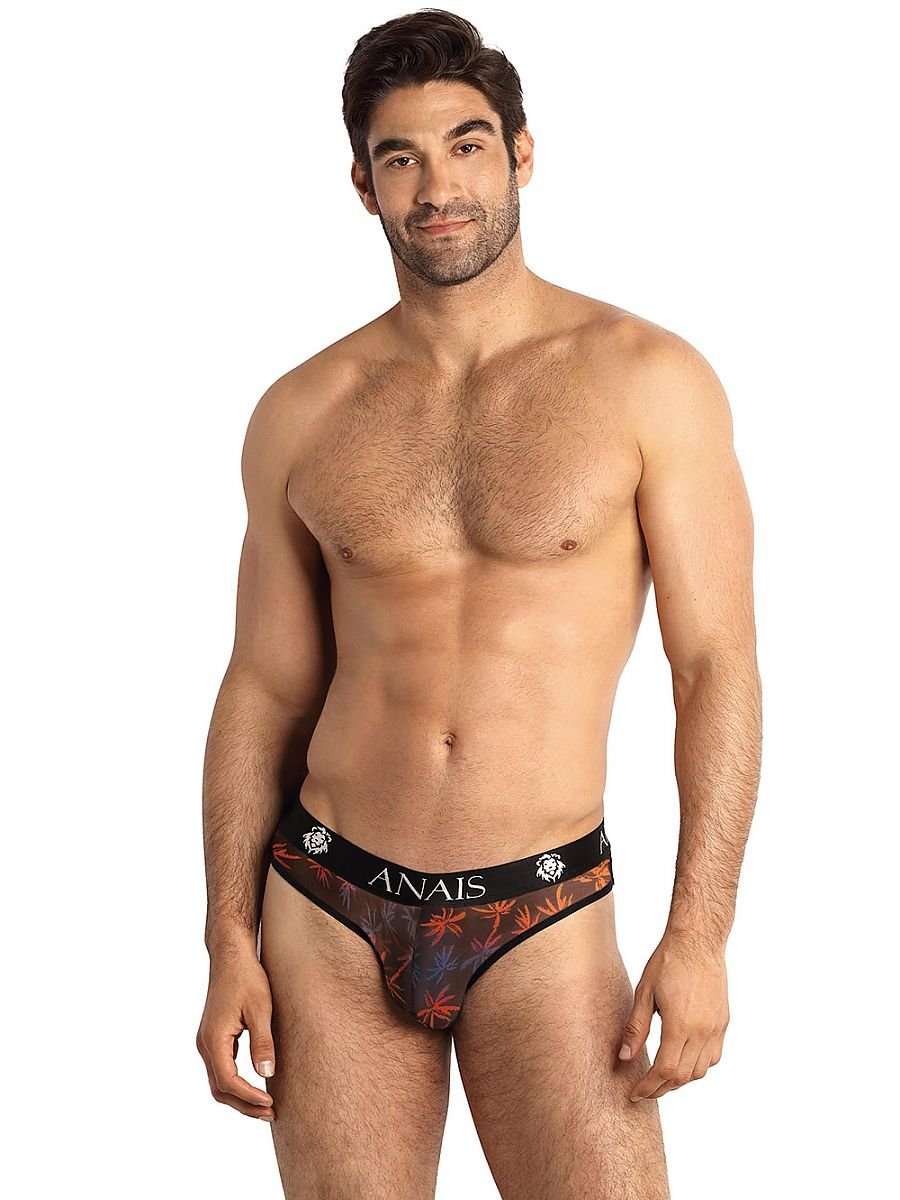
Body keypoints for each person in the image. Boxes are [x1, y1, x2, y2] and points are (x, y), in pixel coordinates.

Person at [195, 9, 762, 1198]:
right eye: (401, 158)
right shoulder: (304, 410)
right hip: (329, 903)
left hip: (544, 908)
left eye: (466, 146)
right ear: (364, 185)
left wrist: (699, 935)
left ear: (521, 155)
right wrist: (226, 938)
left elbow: (713, 665)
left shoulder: (647, 381)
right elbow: (264, 687)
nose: (438, 187)